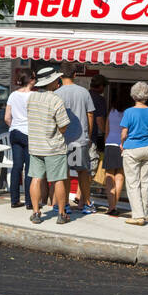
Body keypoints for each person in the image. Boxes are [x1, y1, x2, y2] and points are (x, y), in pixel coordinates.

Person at [26, 67, 71, 224]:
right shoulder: (56, 100)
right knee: (58, 179)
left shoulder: (31, 98)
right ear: (51, 82)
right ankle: (61, 214)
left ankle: (36, 212)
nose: (58, 82)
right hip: (54, 147)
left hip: (35, 145)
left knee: (36, 178)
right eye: (56, 80)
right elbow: (63, 126)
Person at [56, 64, 97, 214]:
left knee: (63, 173)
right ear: (75, 75)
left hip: (62, 140)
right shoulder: (84, 92)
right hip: (80, 139)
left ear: (60, 76)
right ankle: (86, 203)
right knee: (83, 173)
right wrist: (89, 135)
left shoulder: (56, 93)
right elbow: (90, 115)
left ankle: (64, 203)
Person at [119, 81, 148, 226]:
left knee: (133, 183)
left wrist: (122, 144)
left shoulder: (129, 112)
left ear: (133, 95)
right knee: (145, 182)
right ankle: (144, 213)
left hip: (132, 148)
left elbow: (124, 133)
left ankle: (138, 215)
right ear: (147, 95)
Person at [3, 69, 36, 209]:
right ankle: (29, 201)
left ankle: (14, 200)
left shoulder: (13, 95)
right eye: (34, 77)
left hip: (15, 132)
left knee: (16, 167)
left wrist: (14, 126)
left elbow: (6, 117)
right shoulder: (34, 96)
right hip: (29, 134)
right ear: (30, 80)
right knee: (29, 169)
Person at [101, 90, 128, 215]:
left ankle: (111, 205)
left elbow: (106, 130)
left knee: (109, 175)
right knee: (120, 175)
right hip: (123, 145)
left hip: (110, 144)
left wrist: (106, 143)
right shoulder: (128, 113)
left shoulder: (111, 112)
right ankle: (114, 206)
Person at [88, 74, 108, 173]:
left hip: (78, 137)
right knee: (91, 168)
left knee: (79, 168)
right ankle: (87, 188)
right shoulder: (99, 99)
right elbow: (99, 120)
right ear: (100, 86)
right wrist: (106, 133)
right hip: (92, 137)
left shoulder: (84, 95)